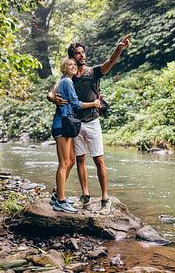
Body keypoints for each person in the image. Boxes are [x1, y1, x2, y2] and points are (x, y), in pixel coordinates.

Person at [47, 34, 131, 215]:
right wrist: (53, 99)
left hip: (92, 121)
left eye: (83, 52)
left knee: (99, 159)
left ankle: (105, 199)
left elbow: (110, 61)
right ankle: (84, 195)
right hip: (74, 124)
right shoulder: (69, 75)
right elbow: (51, 93)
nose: (82, 56)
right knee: (79, 160)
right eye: (78, 53)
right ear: (72, 57)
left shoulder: (92, 72)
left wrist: (120, 48)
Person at [50, 57, 100, 214]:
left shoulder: (63, 81)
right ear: (64, 68)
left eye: (74, 64)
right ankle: (60, 202)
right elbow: (76, 103)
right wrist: (94, 103)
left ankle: (58, 194)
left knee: (71, 161)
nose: (72, 66)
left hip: (66, 124)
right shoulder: (67, 82)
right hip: (62, 124)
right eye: (69, 65)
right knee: (64, 163)